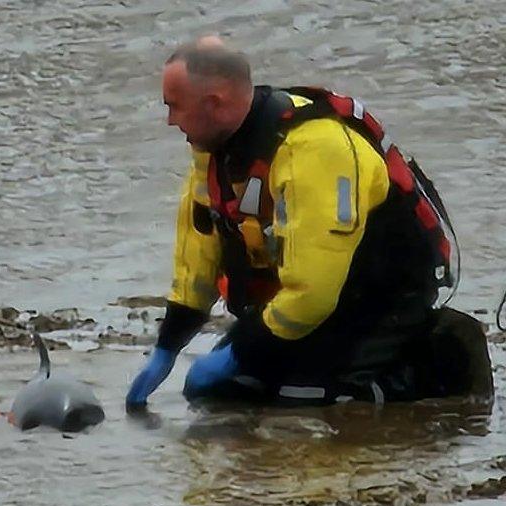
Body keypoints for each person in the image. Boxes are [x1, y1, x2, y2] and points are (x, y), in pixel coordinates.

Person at [126, 37, 491, 411]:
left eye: (174, 107)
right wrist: (168, 346)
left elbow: (312, 294)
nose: (170, 120)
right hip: (308, 302)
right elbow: (198, 255)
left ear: (214, 104)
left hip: (379, 297)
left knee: (305, 399)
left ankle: (442, 360)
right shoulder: (214, 152)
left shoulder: (313, 151)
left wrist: (237, 352)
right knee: (226, 391)